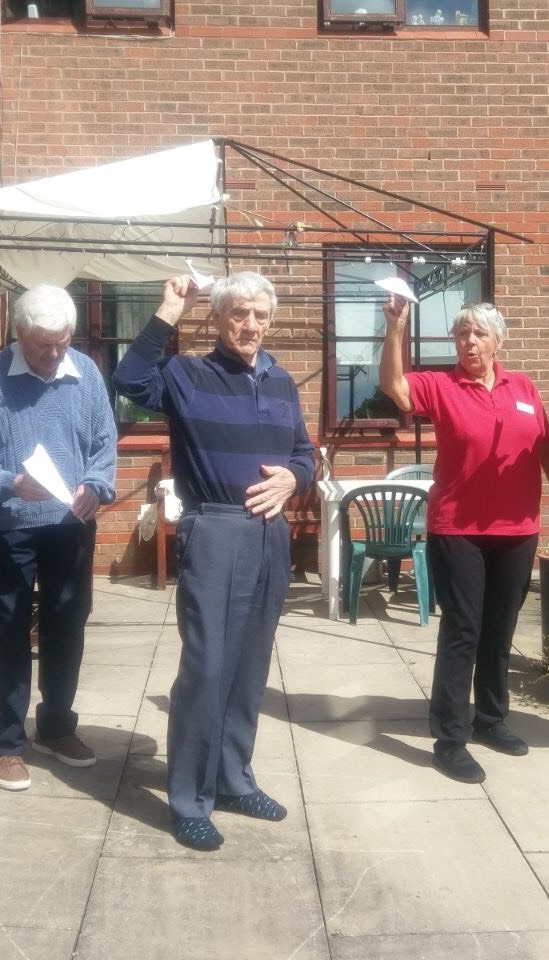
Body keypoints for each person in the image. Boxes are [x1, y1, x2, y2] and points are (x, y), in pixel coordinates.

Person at [114, 271, 315, 850]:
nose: (250, 324)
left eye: (260, 314)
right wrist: (169, 309)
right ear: (220, 318)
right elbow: (129, 380)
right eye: (239, 313)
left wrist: (294, 478)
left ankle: (232, 778)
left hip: (270, 535)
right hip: (215, 530)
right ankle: (189, 797)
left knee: (251, 664)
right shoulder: (188, 374)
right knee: (206, 668)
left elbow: (304, 451)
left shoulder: (280, 382)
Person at [379, 297, 549, 784]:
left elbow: (545, 450)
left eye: (478, 334)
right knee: (463, 631)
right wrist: (394, 331)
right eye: (462, 334)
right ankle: (450, 739)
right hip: (458, 529)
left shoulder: (524, 387)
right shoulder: (442, 385)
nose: (469, 342)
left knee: (500, 630)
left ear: (498, 342)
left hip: (516, 530)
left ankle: (491, 720)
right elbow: (395, 387)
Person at [0, 284, 117, 792]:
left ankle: (56, 727)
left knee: (69, 622)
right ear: (18, 332)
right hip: (7, 523)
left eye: (62, 342)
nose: (53, 353)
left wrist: (98, 485)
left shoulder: (84, 373)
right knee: (10, 625)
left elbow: (104, 443)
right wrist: (9, 484)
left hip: (69, 521)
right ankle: (3, 744)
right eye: (43, 343)